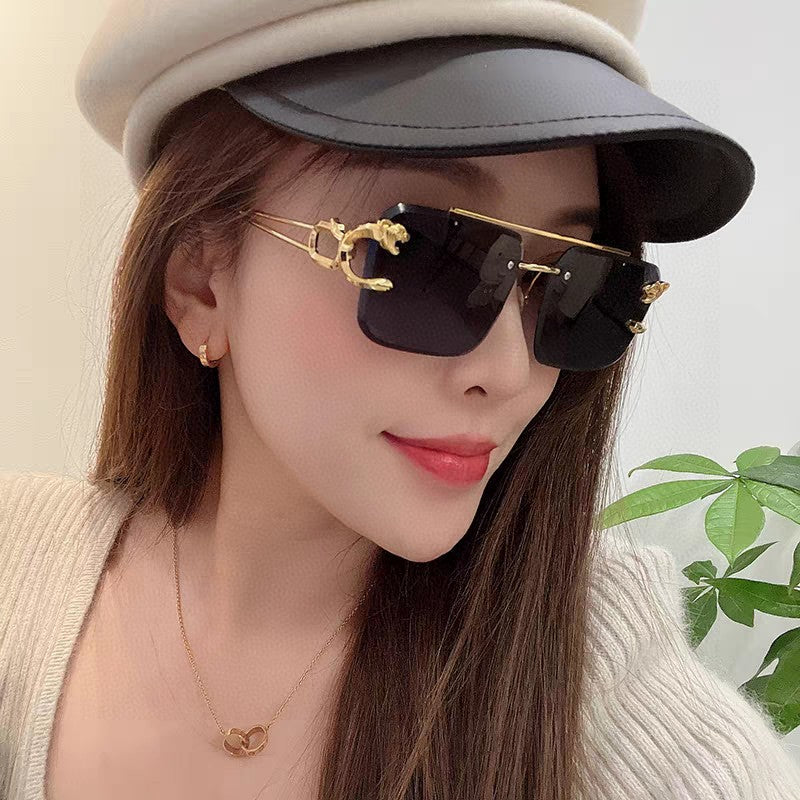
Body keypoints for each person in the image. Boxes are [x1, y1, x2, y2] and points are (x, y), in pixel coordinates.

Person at [2, 1, 799, 799]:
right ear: (201, 284)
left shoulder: (592, 667)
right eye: (425, 260)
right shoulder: (17, 566)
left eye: (578, 284)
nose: (511, 370)